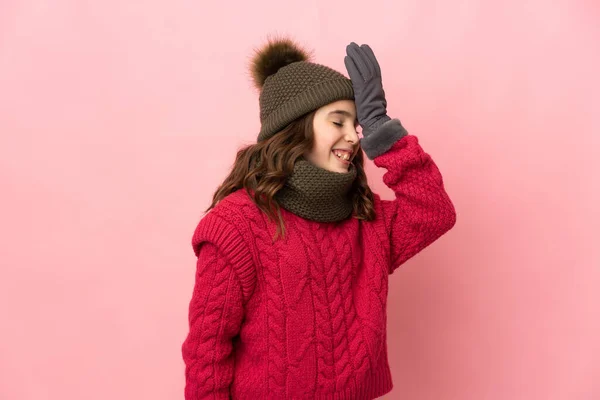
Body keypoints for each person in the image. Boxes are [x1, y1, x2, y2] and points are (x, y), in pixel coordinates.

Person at [181, 36, 457, 400]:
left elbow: (433, 211)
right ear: (295, 128)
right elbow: (207, 354)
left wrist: (381, 128)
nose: (353, 137)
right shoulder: (236, 226)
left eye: (356, 124)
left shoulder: (365, 218)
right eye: (337, 122)